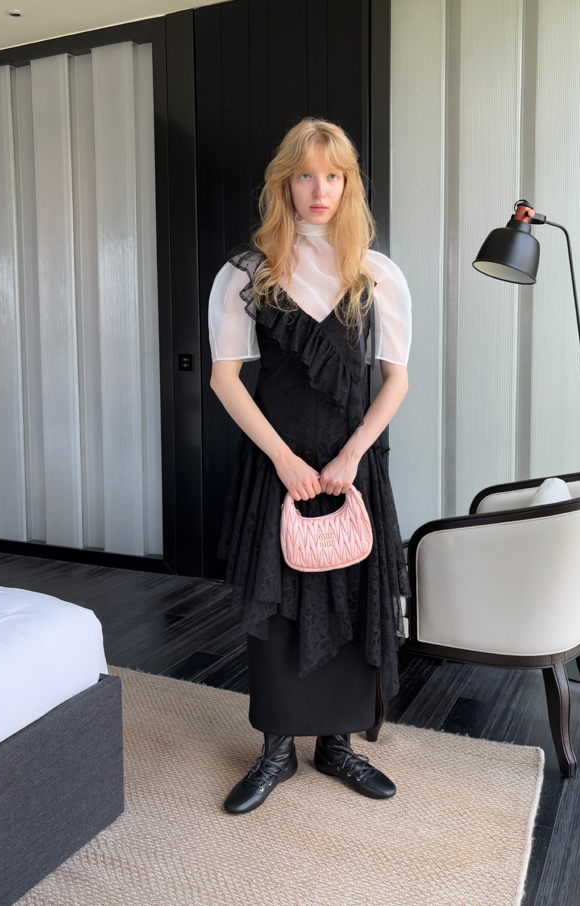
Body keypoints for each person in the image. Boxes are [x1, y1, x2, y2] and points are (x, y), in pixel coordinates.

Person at [208, 118, 412, 815]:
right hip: (277, 468)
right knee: (276, 610)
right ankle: (275, 751)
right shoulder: (247, 271)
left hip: (353, 471)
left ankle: (336, 746)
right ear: (284, 184)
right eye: (304, 174)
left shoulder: (377, 274)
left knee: (351, 602)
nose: (319, 189)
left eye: (333, 175)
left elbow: (396, 380)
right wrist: (285, 460)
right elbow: (226, 379)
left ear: (348, 184)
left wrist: (352, 456)